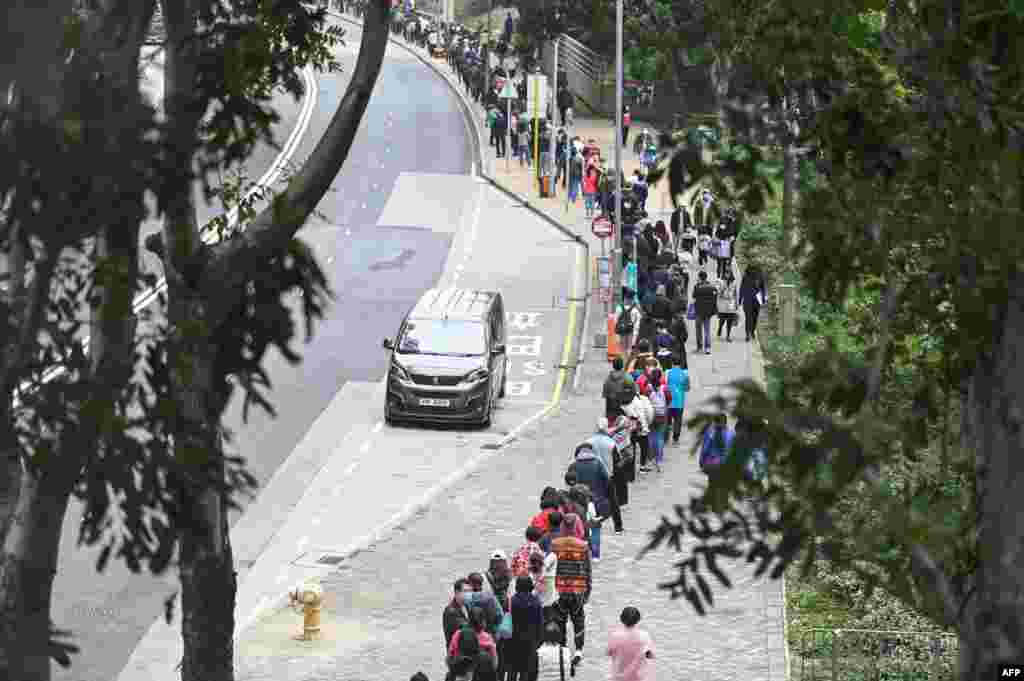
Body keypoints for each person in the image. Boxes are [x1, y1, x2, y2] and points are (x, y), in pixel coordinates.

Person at [551, 513, 592, 669]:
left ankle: (563, 648)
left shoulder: (555, 544)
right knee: (578, 619)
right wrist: (588, 591)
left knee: (560, 620)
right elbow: (588, 571)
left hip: (560, 590)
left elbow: (551, 567)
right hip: (578, 590)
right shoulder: (583, 545)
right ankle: (579, 652)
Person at [584, 419, 623, 533]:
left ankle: (591, 521)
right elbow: (617, 461)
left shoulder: (588, 442)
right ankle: (618, 527)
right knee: (613, 501)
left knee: (592, 500)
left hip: (593, 476)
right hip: (608, 475)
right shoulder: (611, 443)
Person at [506, 576, 543, 681]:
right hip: (530, 642)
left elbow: (507, 621)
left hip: (513, 641)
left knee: (512, 670)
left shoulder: (512, 601)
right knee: (526, 671)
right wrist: (538, 642)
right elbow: (540, 624)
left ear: (517, 586)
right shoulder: (536, 602)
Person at [607, 606, 655, 681]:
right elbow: (651, 655)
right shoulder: (644, 635)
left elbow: (608, 652)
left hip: (618, 677)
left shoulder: (615, 635)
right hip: (638, 678)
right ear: (638, 620)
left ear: (621, 619)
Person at [646, 368, 671, 472]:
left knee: (651, 436)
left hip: (651, 415)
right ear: (660, 377)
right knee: (660, 437)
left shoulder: (648, 388)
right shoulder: (665, 388)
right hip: (662, 415)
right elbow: (669, 399)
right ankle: (659, 459)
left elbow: (645, 400)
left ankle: (650, 457)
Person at [465, 572, 504, 636]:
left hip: (475, 633)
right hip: (492, 631)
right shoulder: (490, 597)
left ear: (472, 584)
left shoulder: (468, 599)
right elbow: (500, 615)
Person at [666, 354, 690, 445]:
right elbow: (687, 388)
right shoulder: (685, 373)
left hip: (669, 401)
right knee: (678, 420)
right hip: (679, 401)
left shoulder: (668, 372)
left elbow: (665, 385)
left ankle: (666, 436)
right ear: (680, 363)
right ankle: (675, 438)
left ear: (672, 362)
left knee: (668, 420)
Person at [692, 270, 718, 355]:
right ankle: (707, 348)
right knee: (707, 330)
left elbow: (694, 296)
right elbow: (715, 298)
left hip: (699, 311)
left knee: (698, 330)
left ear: (699, 277)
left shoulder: (697, 287)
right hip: (708, 312)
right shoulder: (712, 287)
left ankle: (699, 347)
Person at [739, 265, 767, 341]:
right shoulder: (760, 276)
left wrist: (740, 299)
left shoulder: (746, 276)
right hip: (756, 300)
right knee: (754, 317)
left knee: (748, 318)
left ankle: (748, 333)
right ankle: (751, 332)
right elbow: (763, 288)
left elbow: (742, 288)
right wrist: (764, 299)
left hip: (748, 300)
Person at [444, 578, 471, 649]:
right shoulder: (451, 611)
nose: (469, 594)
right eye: (465, 591)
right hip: (456, 654)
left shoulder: (467, 606)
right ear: (457, 592)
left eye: (470, 591)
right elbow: (465, 629)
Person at [717, 271, 740, 341]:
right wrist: (722, 289)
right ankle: (720, 328)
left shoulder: (734, 282)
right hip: (723, 303)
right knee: (722, 320)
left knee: (730, 321)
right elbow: (718, 293)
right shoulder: (721, 282)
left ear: (731, 274)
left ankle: (728, 336)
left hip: (731, 303)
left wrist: (736, 303)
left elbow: (735, 293)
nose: (727, 275)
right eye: (726, 273)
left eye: (728, 273)